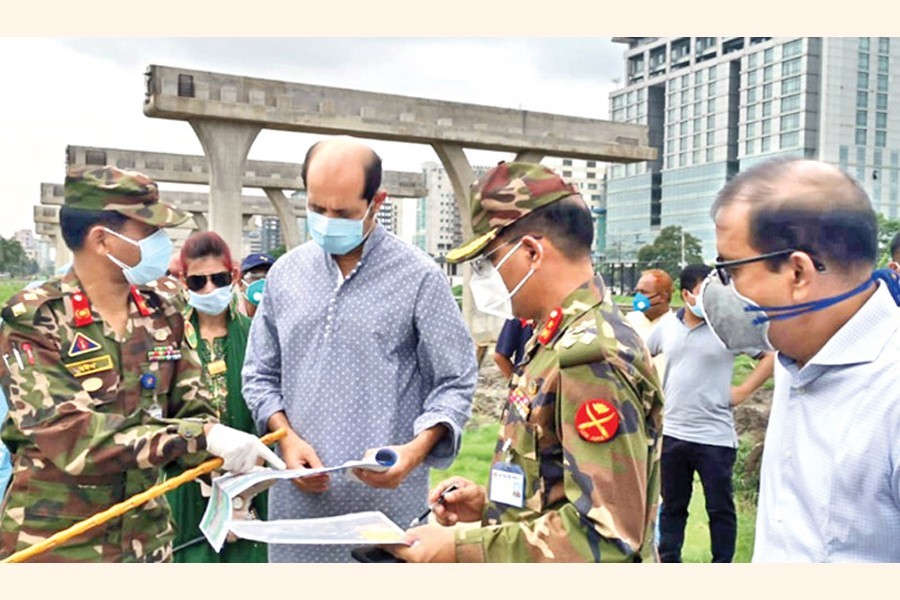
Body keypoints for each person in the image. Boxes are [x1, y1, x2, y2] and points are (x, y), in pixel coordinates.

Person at [0, 166, 283, 562]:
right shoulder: (34, 319)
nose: (161, 243)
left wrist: (223, 464)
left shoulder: (161, 311)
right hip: (59, 543)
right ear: (102, 240)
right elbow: (69, 435)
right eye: (148, 231)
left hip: (146, 540)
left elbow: (192, 405)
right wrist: (199, 439)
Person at [386, 161, 664, 562]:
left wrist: (459, 549)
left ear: (531, 252)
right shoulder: (553, 338)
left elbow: (606, 539)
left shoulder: (589, 357)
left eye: (489, 262)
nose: (484, 277)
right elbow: (562, 490)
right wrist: (492, 508)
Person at [242, 136, 477, 563]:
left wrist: (415, 451)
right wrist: (286, 436)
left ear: (376, 201)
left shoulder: (419, 278)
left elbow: (455, 381)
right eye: (317, 209)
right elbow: (259, 374)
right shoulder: (285, 275)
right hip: (298, 514)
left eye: (344, 213)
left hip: (387, 514)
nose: (329, 221)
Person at [706, 157, 900, 562]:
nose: (718, 287)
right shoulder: (794, 352)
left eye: (728, 269)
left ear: (798, 273)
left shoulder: (890, 391)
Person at [646, 263, 774, 563]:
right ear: (686, 294)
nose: (711, 302)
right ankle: (669, 561)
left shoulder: (726, 327)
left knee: (719, 508)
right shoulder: (666, 327)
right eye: (705, 294)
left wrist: (743, 391)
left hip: (714, 436)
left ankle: (721, 567)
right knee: (673, 506)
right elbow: (640, 355)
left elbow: (769, 355)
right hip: (674, 432)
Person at [164, 232, 268, 563]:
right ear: (184, 281)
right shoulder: (168, 341)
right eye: (198, 282)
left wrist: (247, 487)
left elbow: (267, 404)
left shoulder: (256, 336)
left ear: (234, 276)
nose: (210, 289)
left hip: (249, 479)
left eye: (219, 278)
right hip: (187, 481)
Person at [625, 268, 674, 380]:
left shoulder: (675, 327)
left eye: (644, 292)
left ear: (662, 297)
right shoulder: (627, 322)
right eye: (637, 291)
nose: (638, 297)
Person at [238, 252, 275, 318]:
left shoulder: (283, 319)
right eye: (255, 276)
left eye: (268, 278)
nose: (262, 282)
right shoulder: (230, 319)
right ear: (240, 283)